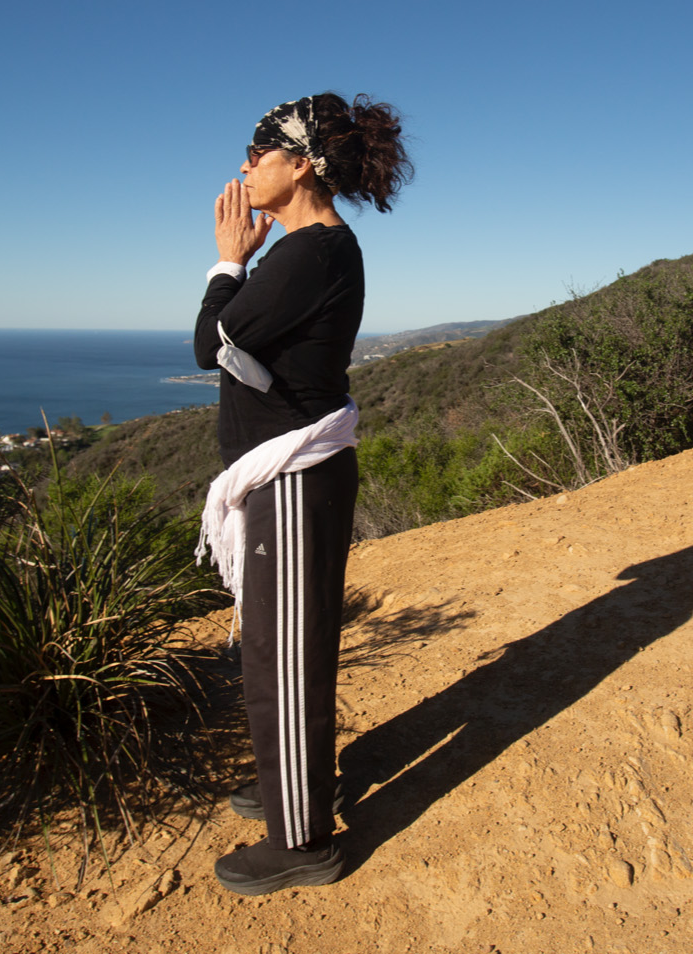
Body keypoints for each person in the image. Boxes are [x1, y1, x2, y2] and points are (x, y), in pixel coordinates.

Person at [193, 93, 411, 896]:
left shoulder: (308, 252)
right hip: (291, 473)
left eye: (258, 152)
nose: (245, 167)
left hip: (291, 479)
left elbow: (206, 343)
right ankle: (296, 785)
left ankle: (302, 840)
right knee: (283, 640)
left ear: (302, 163)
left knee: (281, 652)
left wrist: (226, 259)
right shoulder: (310, 250)